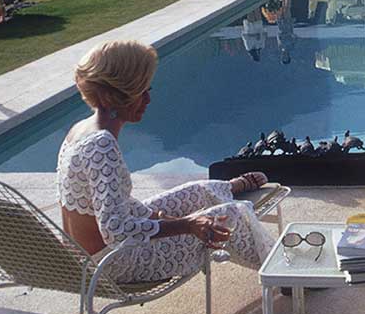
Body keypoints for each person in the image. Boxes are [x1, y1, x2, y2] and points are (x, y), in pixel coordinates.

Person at [57, 40, 274, 283]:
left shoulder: (80, 130)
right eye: (141, 92)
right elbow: (115, 230)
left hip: (87, 255)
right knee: (232, 214)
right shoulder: (102, 144)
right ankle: (283, 273)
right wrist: (187, 224)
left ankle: (228, 188)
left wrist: (158, 217)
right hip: (113, 263)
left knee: (198, 190)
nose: (148, 99)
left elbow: (109, 204)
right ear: (114, 96)